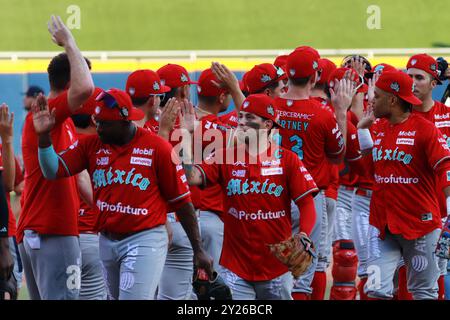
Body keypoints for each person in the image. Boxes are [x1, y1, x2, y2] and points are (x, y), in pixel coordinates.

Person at [34, 88, 213, 300]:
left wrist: (198, 249)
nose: (98, 128)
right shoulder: (91, 146)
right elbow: (52, 169)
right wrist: (44, 138)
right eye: (97, 121)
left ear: (124, 120)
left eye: (104, 123)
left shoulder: (157, 148)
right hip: (107, 240)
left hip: (145, 237)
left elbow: (183, 202)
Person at [182, 94, 318, 299]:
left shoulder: (287, 160)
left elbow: (307, 204)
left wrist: (305, 234)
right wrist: (186, 134)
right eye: (241, 117)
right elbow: (190, 177)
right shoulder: (224, 156)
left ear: (267, 124)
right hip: (236, 266)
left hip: (276, 266)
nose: (242, 122)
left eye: (250, 118)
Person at [17, 15, 94, 300]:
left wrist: (107, 210)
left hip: (44, 231)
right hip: (53, 232)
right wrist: (69, 42)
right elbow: (86, 88)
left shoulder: (64, 122)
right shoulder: (51, 112)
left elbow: (78, 176)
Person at [357, 70, 450, 300]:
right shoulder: (376, 128)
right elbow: (371, 172)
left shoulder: (425, 130)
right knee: (375, 290)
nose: (371, 99)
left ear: (392, 100)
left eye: (377, 96)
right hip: (382, 227)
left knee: (424, 292)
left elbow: (446, 168)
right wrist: (362, 131)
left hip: (421, 227)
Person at [274, 47, 351, 299]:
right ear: (315, 77)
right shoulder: (322, 114)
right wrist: (341, 111)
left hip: (273, 195)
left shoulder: (271, 107)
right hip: (309, 200)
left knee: (272, 272)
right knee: (302, 276)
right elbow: (339, 154)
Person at [407, 53, 450, 299]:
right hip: (407, 210)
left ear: (434, 84)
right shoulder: (398, 115)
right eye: (409, 76)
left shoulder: (447, 116)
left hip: (441, 211)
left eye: (419, 77)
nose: (412, 82)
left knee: (436, 274)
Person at [70, 87, 107, 300]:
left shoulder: (60, 140)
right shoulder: (99, 146)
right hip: (92, 235)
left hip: (59, 239)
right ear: (95, 118)